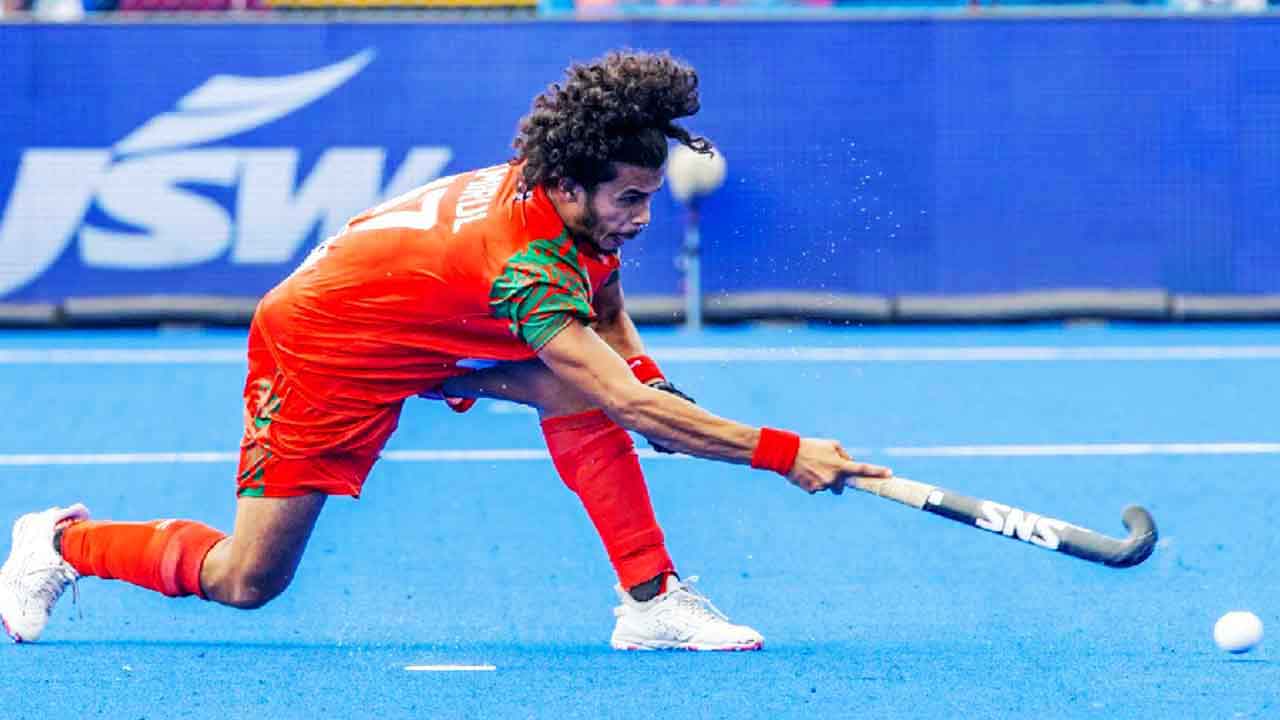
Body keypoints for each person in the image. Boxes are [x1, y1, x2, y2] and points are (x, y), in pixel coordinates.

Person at [0, 50, 890, 651]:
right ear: (569, 186)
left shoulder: (572, 208)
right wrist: (784, 453)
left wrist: (654, 387)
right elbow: (622, 396)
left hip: (417, 322)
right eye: (630, 199)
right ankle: (63, 544)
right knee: (247, 578)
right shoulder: (527, 265)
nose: (642, 216)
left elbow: (609, 313)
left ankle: (652, 601)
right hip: (325, 348)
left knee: (581, 388)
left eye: (651, 196)